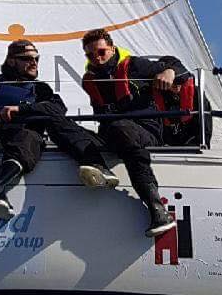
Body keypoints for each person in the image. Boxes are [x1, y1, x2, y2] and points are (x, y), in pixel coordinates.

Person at [46, 28, 202, 238]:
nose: (97, 58)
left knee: (121, 127)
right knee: (56, 122)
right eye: (90, 55)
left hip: (145, 132)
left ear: (112, 49)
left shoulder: (135, 66)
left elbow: (178, 67)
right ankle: (99, 166)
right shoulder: (90, 80)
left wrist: (170, 72)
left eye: (101, 52)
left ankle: (157, 209)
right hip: (111, 135)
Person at [0, 38, 66, 222]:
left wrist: (22, 110)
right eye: (27, 58)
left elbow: (58, 109)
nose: (33, 63)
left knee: (28, 137)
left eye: (36, 59)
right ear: (11, 61)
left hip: (23, 138)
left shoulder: (41, 88)